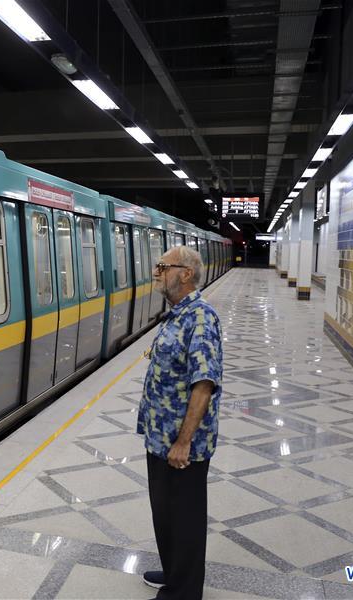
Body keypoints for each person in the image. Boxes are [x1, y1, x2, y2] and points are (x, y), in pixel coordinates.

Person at [137, 246, 222, 600]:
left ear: (185, 274)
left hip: (181, 445)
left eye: (163, 266)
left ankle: (184, 592)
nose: (157, 272)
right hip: (160, 438)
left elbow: (203, 385)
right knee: (165, 513)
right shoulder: (177, 315)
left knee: (184, 519)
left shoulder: (200, 318)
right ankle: (173, 572)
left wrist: (184, 441)